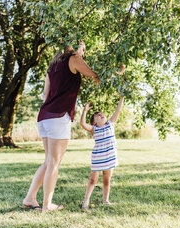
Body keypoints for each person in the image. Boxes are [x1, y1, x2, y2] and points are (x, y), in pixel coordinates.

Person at [22, 40, 101, 212]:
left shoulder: (52, 67)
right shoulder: (73, 59)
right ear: (73, 47)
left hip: (44, 116)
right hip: (59, 117)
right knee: (54, 164)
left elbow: (45, 96)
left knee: (48, 161)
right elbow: (91, 73)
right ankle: (47, 205)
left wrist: (80, 51)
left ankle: (30, 198)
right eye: (80, 46)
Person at [80, 94, 125, 210]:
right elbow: (83, 124)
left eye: (102, 114)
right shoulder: (94, 129)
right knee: (93, 180)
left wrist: (121, 98)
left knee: (106, 180)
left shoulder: (110, 124)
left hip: (109, 157)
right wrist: (84, 111)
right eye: (98, 116)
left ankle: (106, 200)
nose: (101, 115)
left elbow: (117, 111)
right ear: (94, 122)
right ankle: (85, 201)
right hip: (98, 158)